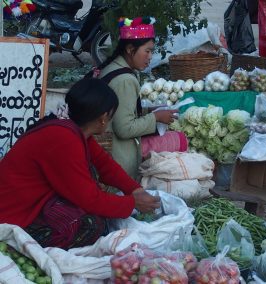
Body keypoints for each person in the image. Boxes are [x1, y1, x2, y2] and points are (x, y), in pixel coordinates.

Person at [0, 78, 161, 249]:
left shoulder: (74, 130)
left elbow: (104, 164)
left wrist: (135, 190)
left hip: (30, 204)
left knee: (99, 211)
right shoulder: (63, 139)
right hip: (13, 216)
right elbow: (89, 199)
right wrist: (132, 203)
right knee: (91, 225)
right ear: (103, 117)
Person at [94, 17, 179, 179]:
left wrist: (147, 110)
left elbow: (121, 108)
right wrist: (155, 118)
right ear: (130, 49)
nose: (150, 57)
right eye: (147, 51)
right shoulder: (125, 80)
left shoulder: (112, 68)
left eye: (152, 51)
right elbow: (125, 128)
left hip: (106, 154)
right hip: (117, 158)